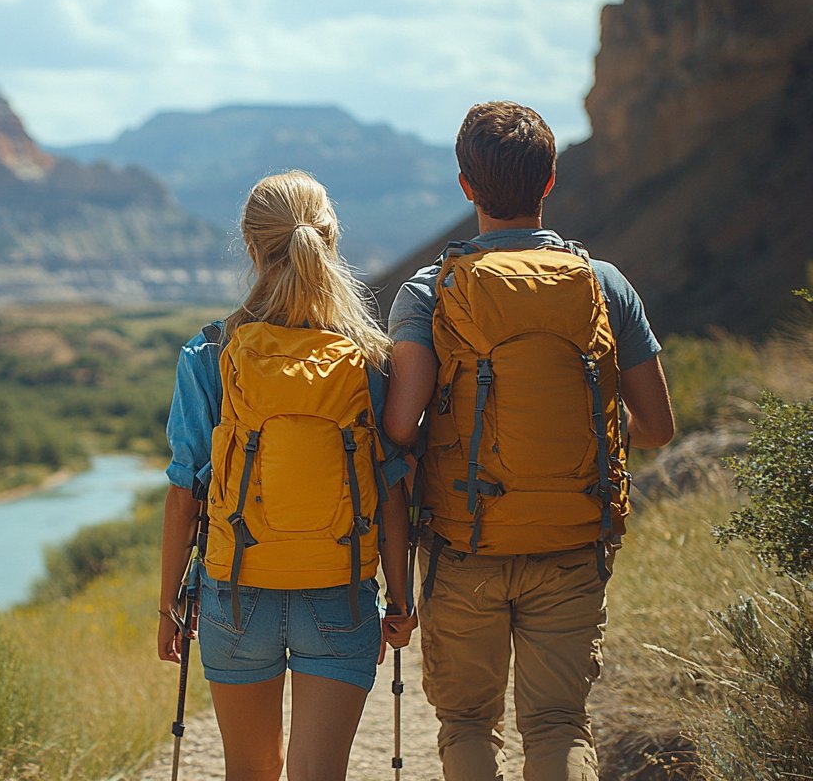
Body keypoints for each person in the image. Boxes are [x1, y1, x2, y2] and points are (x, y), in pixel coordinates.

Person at [383, 101, 676, 781]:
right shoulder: (603, 285)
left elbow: (400, 426)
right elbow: (657, 428)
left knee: (465, 723)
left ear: (465, 185)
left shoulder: (429, 292)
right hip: (572, 539)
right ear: (549, 181)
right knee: (557, 725)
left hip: (466, 545)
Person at [158, 170, 416, 781]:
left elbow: (183, 493)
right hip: (341, 586)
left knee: (250, 772)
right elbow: (390, 489)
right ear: (330, 237)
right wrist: (402, 598)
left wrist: (170, 601)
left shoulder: (210, 354)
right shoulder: (369, 360)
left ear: (251, 247)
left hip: (236, 590)